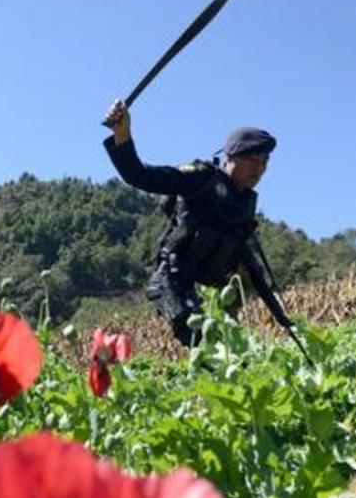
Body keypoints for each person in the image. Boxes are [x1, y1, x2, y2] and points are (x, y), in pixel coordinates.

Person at [102, 99, 293, 346]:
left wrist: (283, 318)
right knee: (202, 343)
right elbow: (138, 175)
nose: (259, 169)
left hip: (210, 287)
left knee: (231, 347)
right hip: (172, 281)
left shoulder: (243, 204)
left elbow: (250, 263)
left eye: (264, 163)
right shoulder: (200, 179)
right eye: (253, 161)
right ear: (231, 156)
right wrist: (122, 134)